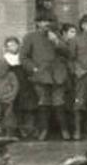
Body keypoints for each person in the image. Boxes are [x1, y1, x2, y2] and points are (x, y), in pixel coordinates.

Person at [19, 12, 71, 140]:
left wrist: (56, 42)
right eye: (42, 21)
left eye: (48, 21)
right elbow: (23, 57)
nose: (45, 24)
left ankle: (64, 130)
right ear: (37, 23)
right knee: (43, 102)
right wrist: (34, 68)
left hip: (58, 74)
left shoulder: (57, 36)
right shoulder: (30, 37)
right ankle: (44, 130)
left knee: (59, 102)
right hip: (41, 75)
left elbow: (68, 53)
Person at [0, 37, 22, 137]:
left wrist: (10, 97)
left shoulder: (11, 75)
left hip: (8, 99)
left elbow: (15, 86)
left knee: (9, 115)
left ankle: (10, 132)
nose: (0, 70)